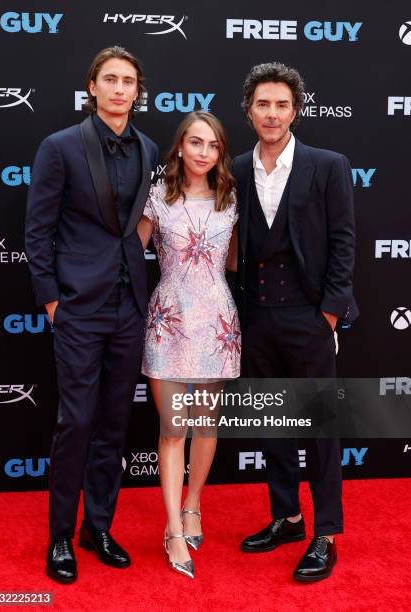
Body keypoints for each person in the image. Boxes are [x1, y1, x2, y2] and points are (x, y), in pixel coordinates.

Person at [25, 46, 158, 584]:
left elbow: (140, 225)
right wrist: (52, 299)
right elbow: (38, 229)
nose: (121, 89)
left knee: (114, 422)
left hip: (130, 305)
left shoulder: (149, 147)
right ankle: (60, 534)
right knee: (75, 421)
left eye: (129, 81)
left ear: (137, 89)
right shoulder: (60, 147)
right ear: (93, 87)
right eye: (111, 79)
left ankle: (96, 526)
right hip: (78, 305)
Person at [231, 62, 358, 582]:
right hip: (255, 317)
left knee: (320, 430)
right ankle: (286, 516)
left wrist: (328, 314)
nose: (272, 113)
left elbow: (344, 242)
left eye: (282, 104)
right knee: (272, 426)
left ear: (296, 110)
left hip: (308, 318)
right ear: (249, 110)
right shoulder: (236, 167)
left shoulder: (327, 164)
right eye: (263, 103)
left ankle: (325, 534)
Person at [137, 111, 240, 578]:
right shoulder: (157, 197)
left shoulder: (231, 199)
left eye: (212, 145)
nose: (203, 152)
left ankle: (194, 504)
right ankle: (173, 528)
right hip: (168, 324)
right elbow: (127, 256)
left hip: (217, 323)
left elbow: (239, 260)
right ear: (179, 147)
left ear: (221, 152)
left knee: (206, 426)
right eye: (195, 142)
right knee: (172, 430)